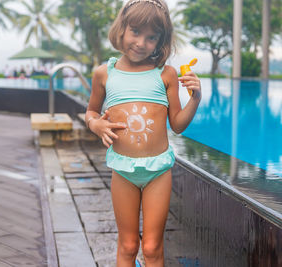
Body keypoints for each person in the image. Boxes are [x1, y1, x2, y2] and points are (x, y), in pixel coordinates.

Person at [85, 0, 201, 265]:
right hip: (123, 170)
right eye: (135, 32)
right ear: (122, 29)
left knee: (151, 248)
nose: (141, 42)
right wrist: (96, 125)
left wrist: (195, 98)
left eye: (151, 37)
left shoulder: (165, 74)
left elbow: (178, 125)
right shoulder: (105, 73)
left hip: (157, 172)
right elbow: (91, 112)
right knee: (127, 245)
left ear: (161, 41)